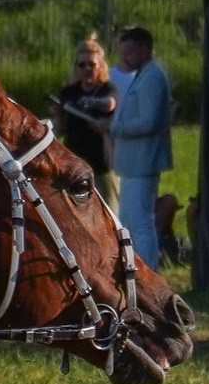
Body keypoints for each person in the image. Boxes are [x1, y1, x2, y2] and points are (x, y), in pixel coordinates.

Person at [109, 24, 174, 259]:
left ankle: (147, 268)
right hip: (133, 163)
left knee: (141, 223)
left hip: (142, 162)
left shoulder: (152, 78)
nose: (125, 59)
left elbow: (148, 122)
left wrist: (115, 128)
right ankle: (136, 267)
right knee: (129, 220)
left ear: (145, 49)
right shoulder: (144, 75)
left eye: (130, 53)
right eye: (123, 53)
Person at [52, 37, 119, 206]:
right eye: (82, 65)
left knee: (109, 209)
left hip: (102, 164)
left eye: (92, 65)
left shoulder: (107, 89)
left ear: (100, 66)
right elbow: (60, 128)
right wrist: (56, 116)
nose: (87, 69)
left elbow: (110, 104)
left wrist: (92, 103)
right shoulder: (68, 93)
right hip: (74, 163)